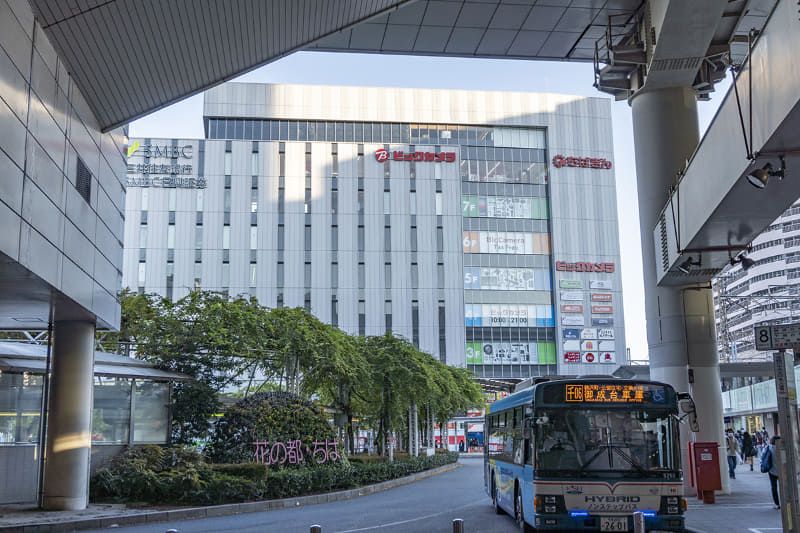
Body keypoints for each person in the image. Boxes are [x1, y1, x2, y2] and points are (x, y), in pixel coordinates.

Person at [761, 436, 780, 509]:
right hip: (782, 471)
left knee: (774, 487)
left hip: (772, 470)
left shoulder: (768, 448)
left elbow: (763, 457)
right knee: (784, 487)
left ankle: (776, 503)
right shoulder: (783, 448)